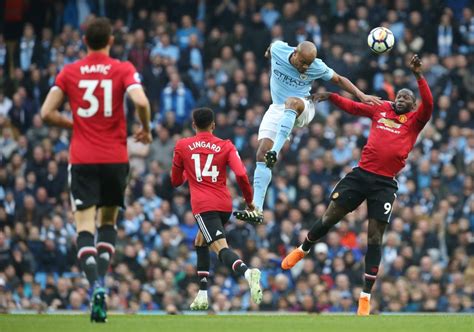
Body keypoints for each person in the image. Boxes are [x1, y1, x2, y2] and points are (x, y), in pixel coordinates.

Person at [281, 54, 433, 316]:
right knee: (330, 216)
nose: (400, 99)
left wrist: (418, 76)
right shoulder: (380, 108)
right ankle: (303, 248)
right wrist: (331, 97)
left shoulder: (415, 122)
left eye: (406, 98)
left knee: (375, 236)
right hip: (361, 175)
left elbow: (429, 104)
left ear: (412, 105)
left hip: (385, 184)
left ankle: (365, 297)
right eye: (398, 95)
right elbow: (354, 107)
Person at [40, 17, 151, 322]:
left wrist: (72, 122)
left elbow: (46, 112)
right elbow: (140, 100)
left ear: (84, 40)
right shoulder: (122, 68)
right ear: (111, 41)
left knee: (84, 227)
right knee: (108, 224)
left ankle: (96, 287)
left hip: (83, 158)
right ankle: (102, 282)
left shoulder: (70, 71)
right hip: (115, 158)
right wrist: (146, 128)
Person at [234, 40, 381, 224]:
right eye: (302, 62)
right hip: (277, 108)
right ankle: (256, 208)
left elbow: (339, 79)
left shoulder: (316, 66)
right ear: (294, 53)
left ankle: (275, 151)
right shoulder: (279, 50)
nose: (305, 67)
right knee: (261, 153)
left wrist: (361, 95)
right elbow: (272, 46)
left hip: (303, 106)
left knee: (291, 103)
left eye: (308, 64)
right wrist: (267, 50)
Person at [171, 107, 263, 310]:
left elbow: (176, 181)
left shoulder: (183, 146)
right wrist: (249, 202)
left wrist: (189, 173)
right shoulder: (226, 145)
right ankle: (202, 294)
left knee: (220, 248)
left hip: (204, 207)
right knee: (201, 241)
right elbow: (240, 175)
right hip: (224, 205)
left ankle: (248, 272)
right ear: (213, 125)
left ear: (193, 125)